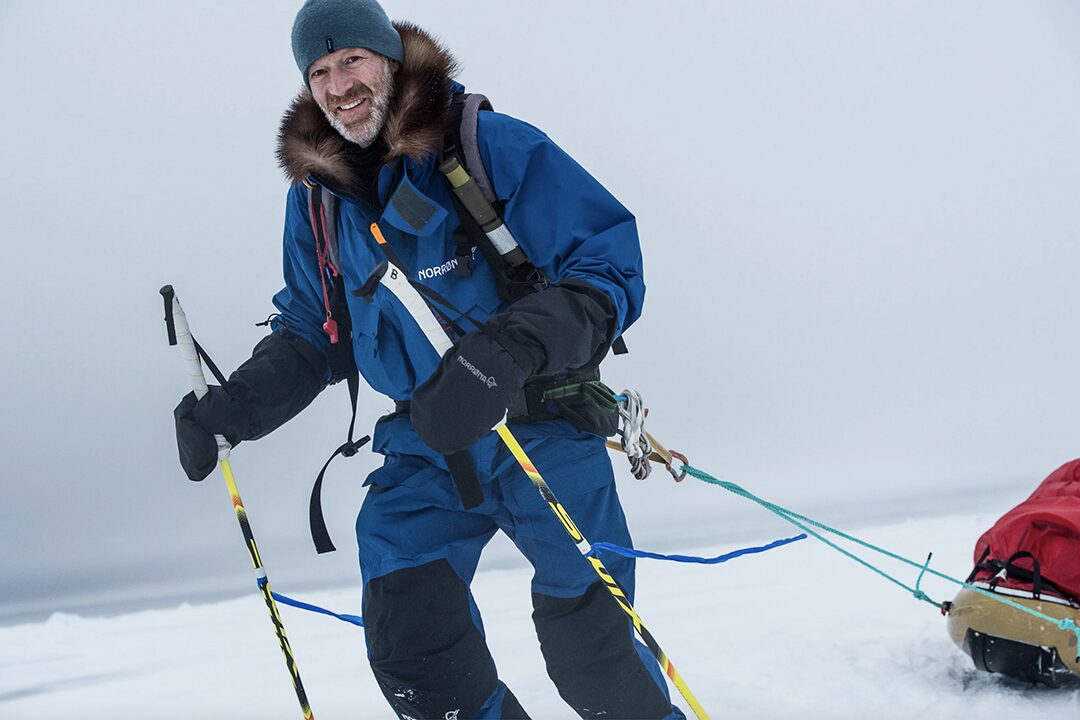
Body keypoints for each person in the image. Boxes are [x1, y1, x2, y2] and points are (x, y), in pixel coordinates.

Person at [174, 1, 685, 717]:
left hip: (537, 424)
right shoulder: (317, 202)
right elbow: (316, 334)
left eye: (350, 58)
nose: (338, 83)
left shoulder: (486, 147)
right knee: (412, 646)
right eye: (318, 70)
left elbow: (606, 266)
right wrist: (238, 407)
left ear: (388, 58)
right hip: (427, 446)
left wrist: (508, 349)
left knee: (591, 652)